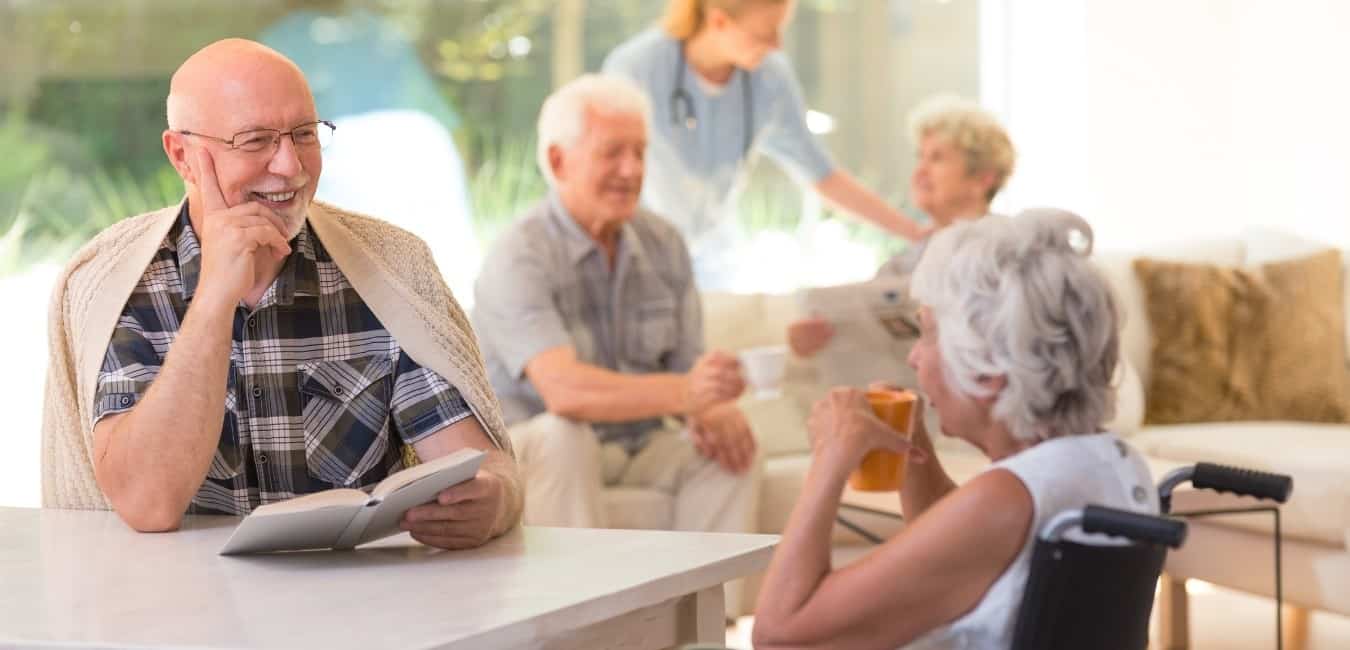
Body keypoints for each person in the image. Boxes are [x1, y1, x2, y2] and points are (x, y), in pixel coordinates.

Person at [42, 39, 522, 551]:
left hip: (359, 611)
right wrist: (214, 298)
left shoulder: (389, 268)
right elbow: (147, 504)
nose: (290, 166)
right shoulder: (117, 283)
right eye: (255, 141)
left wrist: (495, 501)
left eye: (304, 134)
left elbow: (483, 466)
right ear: (181, 155)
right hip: (173, 616)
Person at [752, 210, 1157, 649]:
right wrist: (909, 445)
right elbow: (962, 554)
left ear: (987, 372)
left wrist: (830, 458)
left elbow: (780, 633)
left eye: (927, 335)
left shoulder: (1004, 500)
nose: (914, 359)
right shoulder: (1107, 465)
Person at [472, 74, 759, 537]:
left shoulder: (663, 243)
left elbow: (690, 371)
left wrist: (713, 408)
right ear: (558, 161)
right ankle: (579, 609)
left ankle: (713, 610)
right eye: (613, 153)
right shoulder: (518, 255)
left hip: (639, 443)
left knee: (734, 450)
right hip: (543, 445)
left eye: (640, 152)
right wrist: (690, 394)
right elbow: (565, 392)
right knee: (567, 435)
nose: (632, 170)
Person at [603, 0, 928, 289]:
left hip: (716, 262)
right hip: (638, 255)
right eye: (765, 32)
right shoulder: (637, 68)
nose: (776, 45)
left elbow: (821, 174)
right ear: (718, 21)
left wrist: (914, 233)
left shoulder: (768, 78)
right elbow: (602, 174)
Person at [787, 94, 1016, 357]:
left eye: (937, 158)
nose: (920, 171)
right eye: (921, 157)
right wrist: (813, 339)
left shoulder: (1011, 252)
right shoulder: (904, 262)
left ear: (984, 178)